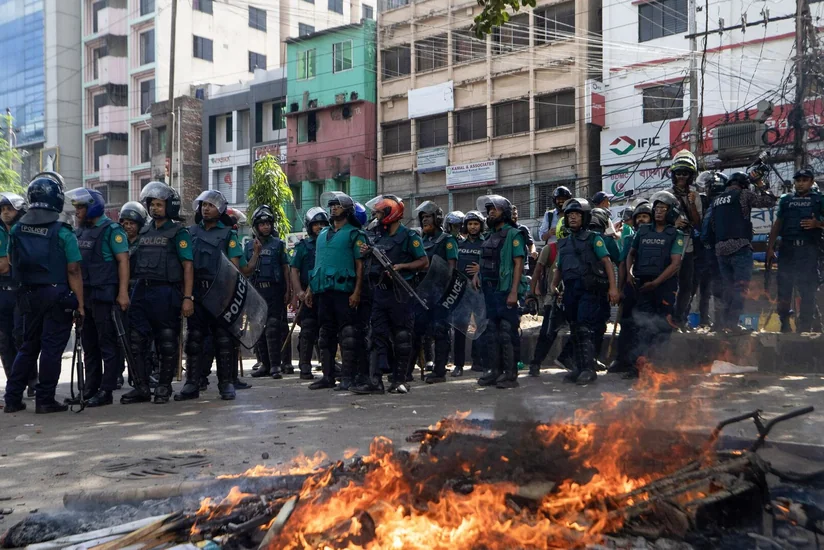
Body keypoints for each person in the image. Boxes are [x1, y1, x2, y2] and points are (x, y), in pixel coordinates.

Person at [4, 172, 83, 414]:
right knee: (51, 348)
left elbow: (10, 260)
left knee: (28, 346)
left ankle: (12, 398)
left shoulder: (17, 230)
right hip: (57, 295)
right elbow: (73, 270)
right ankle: (45, 399)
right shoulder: (63, 231)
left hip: (28, 295)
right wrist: (80, 304)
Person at [121, 182, 194, 405]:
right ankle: (141, 387)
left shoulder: (178, 233)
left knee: (167, 342)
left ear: (169, 207)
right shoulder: (144, 231)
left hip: (166, 292)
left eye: (159, 205)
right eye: (152, 204)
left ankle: (163, 387)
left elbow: (188, 266)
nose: (154, 208)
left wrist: (187, 298)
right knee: (136, 341)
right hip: (142, 290)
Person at [350, 195, 428, 395]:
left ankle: (399, 380)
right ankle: (375, 381)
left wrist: (402, 266)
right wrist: (367, 252)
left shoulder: (409, 236)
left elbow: (423, 262)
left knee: (402, 336)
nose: (375, 216)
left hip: (400, 294)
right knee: (376, 336)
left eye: (379, 213)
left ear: (390, 213)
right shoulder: (377, 236)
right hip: (380, 293)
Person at [173, 190, 244, 402]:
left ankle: (226, 383)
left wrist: (229, 296)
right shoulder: (190, 232)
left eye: (211, 205)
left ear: (220, 209)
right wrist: (186, 296)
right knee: (194, 339)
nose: (206, 208)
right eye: (203, 205)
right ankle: (192, 384)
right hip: (196, 292)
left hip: (220, 294)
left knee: (223, 340)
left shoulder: (229, 234)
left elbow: (234, 268)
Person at [66, 188, 130, 408]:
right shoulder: (80, 232)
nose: (77, 211)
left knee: (107, 344)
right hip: (85, 296)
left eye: (81, 207)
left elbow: (123, 261)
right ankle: (89, 388)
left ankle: (106, 390)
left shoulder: (111, 230)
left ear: (93, 207)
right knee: (89, 344)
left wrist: (123, 293)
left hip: (104, 295)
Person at [549, 199, 619, 385]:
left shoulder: (594, 238)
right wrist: (554, 285)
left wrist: (613, 288)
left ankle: (588, 369)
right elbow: (559, 267)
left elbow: (607, 262)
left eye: (577, 215)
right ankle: (578, 368)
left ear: (585, 217)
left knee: (584, 328)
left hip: (589, 290)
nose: (572, 218)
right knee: (575, 328)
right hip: (570, 291)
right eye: (570, 215)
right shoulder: (564, 243)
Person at [305, 191, 365, 391]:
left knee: (348, 335)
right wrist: (309, 290)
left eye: (337, 205)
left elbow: (360, 265)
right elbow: (319, 264)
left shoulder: (355, 234)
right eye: (331, 206)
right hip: (323, 291)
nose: (333, 209)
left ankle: (348, 377)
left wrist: (357, 291)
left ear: (347, 210)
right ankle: (327, 376)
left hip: (344, 292)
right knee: (325, 335)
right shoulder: (322, 234)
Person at [624, 191, 685, 378]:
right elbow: (631, 254)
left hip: (665, 286)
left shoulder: (676, 234)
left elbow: (675, 263)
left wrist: (656, 282)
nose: (658, 211)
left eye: (663, 208)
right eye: (657, 208)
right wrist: (629, 273)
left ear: (671, 211)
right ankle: (638, 366)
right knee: (642, 326)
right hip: (644, 284)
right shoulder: (642, 231)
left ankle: (657, 365)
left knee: (664, 325)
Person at [709, 171, 775, 332]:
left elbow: (712, 226)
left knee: (728, 288)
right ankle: (732, 324)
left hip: (720, 250)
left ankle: (723, 324)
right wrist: (760, 183)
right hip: (740, 247)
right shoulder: (743, 194)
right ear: (744, 185)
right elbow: (769, 201)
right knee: (741, 288)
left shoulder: (717, 200)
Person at [475, 195, 527, 389]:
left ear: (504, 212)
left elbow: (518, 263)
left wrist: (514, 292)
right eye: (489, 210)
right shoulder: (489, 236)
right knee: (492, 331)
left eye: (494, 209)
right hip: (489, 291)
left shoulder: (514, 234)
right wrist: (477, 275)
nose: (490, 213)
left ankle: (510, 375)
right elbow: (485, 261)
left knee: (507, 331)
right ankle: (495, 371)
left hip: (505, 290)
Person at [767, 168, 822, 333]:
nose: (801, 183)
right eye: (798, 180)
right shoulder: (786, 200)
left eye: (805, 180)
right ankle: (784, 323)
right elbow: (778, 224)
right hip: (787, 249)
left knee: (807, 290)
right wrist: (770, 247)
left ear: (811, 182)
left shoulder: (819, 199)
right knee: (784, 288)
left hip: (808, 250)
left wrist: (817, 224)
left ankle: (805, 327)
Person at [413, 201, 458, 384]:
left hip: (440, 291)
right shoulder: (421, 241)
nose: (425, 220)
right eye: (423, 217)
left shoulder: (447, 240)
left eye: (428, 217)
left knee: (440, 331)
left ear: (437, 218)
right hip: (421, 292)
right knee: (417, 330)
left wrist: (446, 294)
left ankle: (439, 371)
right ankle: (408, 371)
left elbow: (451, 269)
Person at [244, 205, 290, 380]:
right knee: (258, 328)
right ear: (256, 226)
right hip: (255, 292)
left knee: (273, 327)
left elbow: (285, 268)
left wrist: (288, 291)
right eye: (262, 224)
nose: (265, 227)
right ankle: (264, 364)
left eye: (268, 224)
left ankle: (276, 365)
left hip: (274, 291)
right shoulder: (249, 246)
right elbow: (244, 269)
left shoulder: (278, 244)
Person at [609, 201, 652, 374]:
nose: (641, 220)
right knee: (626, 324)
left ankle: (639, 363)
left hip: (649, 287)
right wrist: (619, 289)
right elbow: (622, 264)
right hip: (630, 287)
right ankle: (622, 360)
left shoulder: (658, 237)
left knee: (645, 325)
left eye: (645, 216)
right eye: (638, 217)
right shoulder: (629, 239)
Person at [289, 207, 329, 380]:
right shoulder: (303, 246)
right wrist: (298, 292)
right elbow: (294, 269)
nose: (319, 227)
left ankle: (328, 365)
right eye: (316, 224)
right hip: (307, 293)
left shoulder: (330, 244)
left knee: (326, 329)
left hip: (326, 292)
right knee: (308, 329)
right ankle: (305, 365)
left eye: (323, 224)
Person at [668, 150, 703, 328]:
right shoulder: (665, 195)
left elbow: (698, 223)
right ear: (673, 175)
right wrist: (674, 223)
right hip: (669, 247)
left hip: (688, 247)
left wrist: (691, 204)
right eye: (679, 173)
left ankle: (679, 319)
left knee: (687, 286)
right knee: (668, 285)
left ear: (691, 176)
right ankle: (666, 319)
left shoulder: (695, 196)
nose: (681, 176)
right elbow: (656, 219)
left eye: (685, 173)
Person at [117, 201, 149, 388]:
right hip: (122, 291)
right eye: (125, 223)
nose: (128, 226)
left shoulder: (145, 241)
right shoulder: (117, 240)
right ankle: (117, 373)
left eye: (132, 223)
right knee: (119, 335)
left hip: (141, 291)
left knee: (140, 338)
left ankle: (140, 374)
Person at [452, 210, 485, 377]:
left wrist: (481, 269)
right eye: (470, 224)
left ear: (481, 226)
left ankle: (478, 362)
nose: (473, 227)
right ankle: (458, 365)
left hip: (479, 292)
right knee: (460, 328)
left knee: (480, 326)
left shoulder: (485, 244)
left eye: (476, 224)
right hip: (461, 292)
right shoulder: (459, 244)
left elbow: (494, 262)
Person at [0, 192, 28, 391]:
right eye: (2, 209)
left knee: (21, 336)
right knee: (4, 340)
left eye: (9, 208)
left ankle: (32, 380)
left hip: (20, 291)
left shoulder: (24, 231)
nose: (5, 212)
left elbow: (4, 266)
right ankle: (14, 383)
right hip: (2, 292)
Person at [694, 172, 727, 329]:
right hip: (705, 249)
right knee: (705, 287)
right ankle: (706, 320)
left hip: (717, 249)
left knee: (715, 287)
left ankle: (718, 321)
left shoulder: (726, 202)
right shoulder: (701, 200)